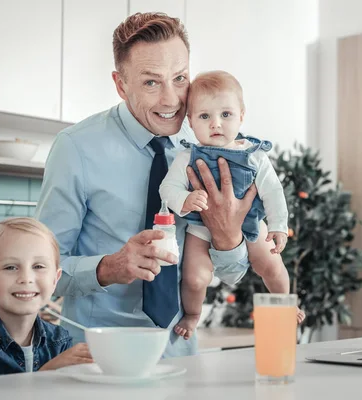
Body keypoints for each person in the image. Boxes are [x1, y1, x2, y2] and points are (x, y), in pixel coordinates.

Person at [34, 12, 254, 357]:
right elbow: (42, 271)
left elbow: (233, 275)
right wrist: (109, 267)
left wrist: (228, 238)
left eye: (179, 78)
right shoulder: (76, 147)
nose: (171, 100)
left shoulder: (205, 144)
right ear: (121, 84)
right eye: (152, 82)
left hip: (180, 355)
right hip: (96, 358)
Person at [160, 71, 305, 339]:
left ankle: (285, 302)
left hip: (251, 221)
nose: (216, 123)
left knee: (272, 266)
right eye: (204, 116)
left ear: (241, 115)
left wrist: (278, 226)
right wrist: (185, 200)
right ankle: (192, 315)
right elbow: (167, 189)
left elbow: (273, 191)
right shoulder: (186, 156)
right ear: (190, 121)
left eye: (225, 114)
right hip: (200, 227)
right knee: (194, 278)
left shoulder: (254, 155)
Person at [0, 218, 92, 380]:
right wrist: (47, 373)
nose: (26, 278)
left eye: (38, 266)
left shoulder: (60, 340)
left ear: (55, 280)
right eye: (11, 267)